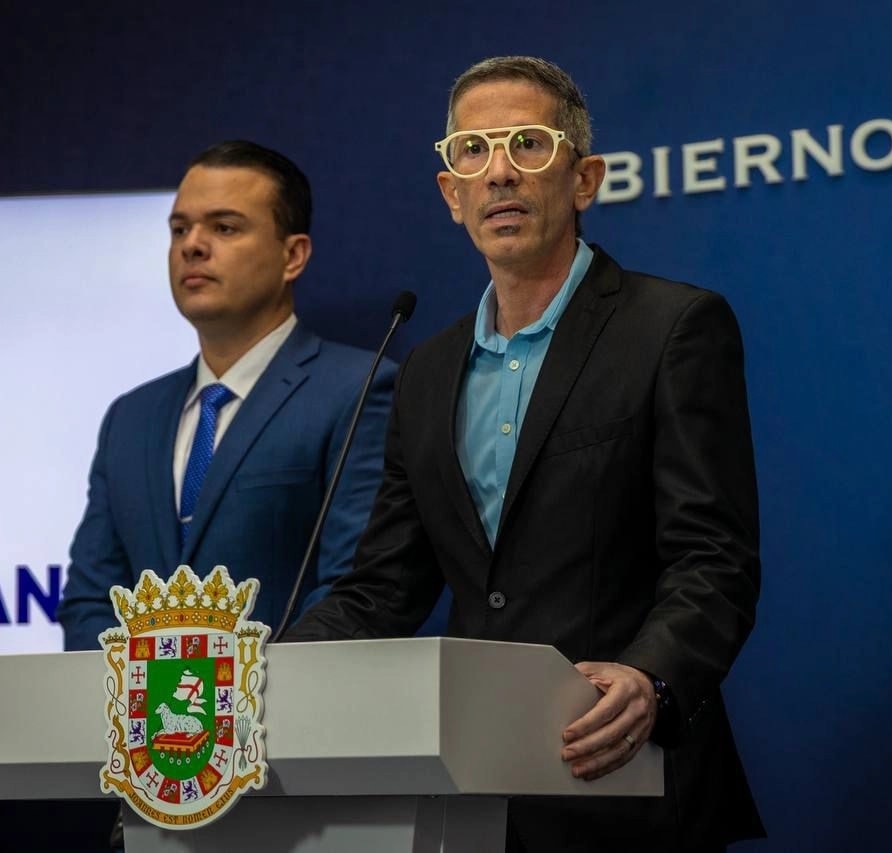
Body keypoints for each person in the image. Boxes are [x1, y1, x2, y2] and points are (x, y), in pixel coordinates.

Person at [284, 57, 764, 852]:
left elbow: (714, 557)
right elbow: (384, 588)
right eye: (472, 151)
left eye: (529, 145)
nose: (500, 171)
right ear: (451, 194)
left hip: (627, 780)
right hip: (477, 797)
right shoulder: (427, 372)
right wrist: (258, 670)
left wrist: (651, 675)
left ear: (584, 180)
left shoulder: (672, 328)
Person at [58, 140, 395, 651]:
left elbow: (354, 586)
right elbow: (90, 601)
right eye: (179, 229)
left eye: (224, 227)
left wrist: (235, 701)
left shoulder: (358, 389)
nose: (192, 245)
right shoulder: (131, 417)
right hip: (145, 727)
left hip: (289, 718)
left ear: (293, 255)